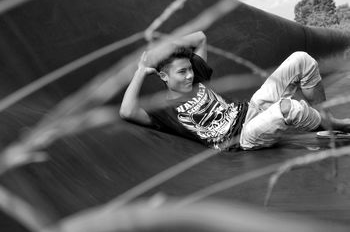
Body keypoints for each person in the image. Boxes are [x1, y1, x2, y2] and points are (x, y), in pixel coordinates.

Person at [120, 31, 350, 151]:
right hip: (242, 138)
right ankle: (335, 125)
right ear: (163, 76)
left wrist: (165, 48)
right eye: (182, 72)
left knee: (301, 59)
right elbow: (127, 111)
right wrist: (141, 70)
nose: (190, 75)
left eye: (190, 69)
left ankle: (326, 123)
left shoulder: (197, 76)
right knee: (288, 108)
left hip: (252, 108)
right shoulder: (164, 108)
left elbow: (200, 37)